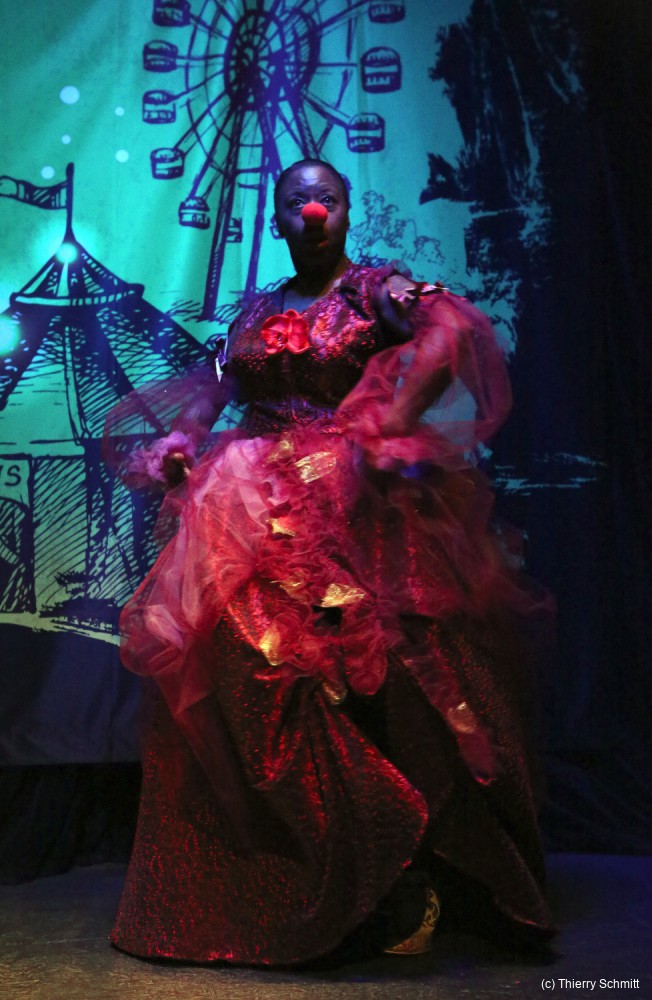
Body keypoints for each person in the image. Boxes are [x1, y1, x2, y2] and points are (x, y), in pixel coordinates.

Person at [106, 159, 555, 965]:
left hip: (353, 503)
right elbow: (218, 390)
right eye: (295, 200)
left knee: (390, 676)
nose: (312, 211)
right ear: (275, 218)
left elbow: (451, 333)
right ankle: (318, 867)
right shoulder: (257, 311)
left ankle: (417, 866)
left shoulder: (374, 291)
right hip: (253, 507)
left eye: (327, 198)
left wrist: (393, 423)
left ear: (347, 211)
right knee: (252, 668)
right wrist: (181, 439)